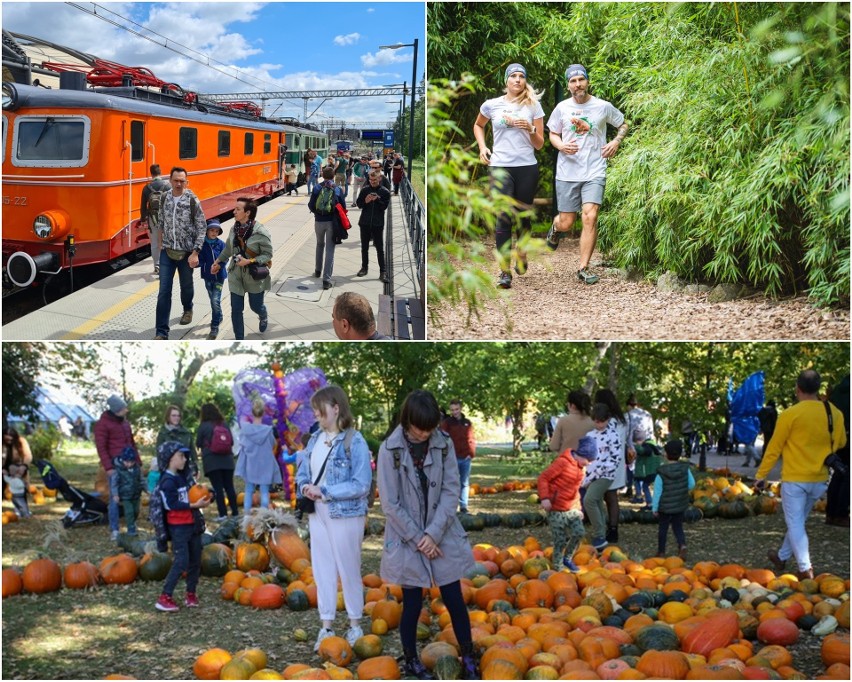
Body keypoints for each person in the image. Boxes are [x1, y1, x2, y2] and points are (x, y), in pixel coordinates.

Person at [377, 390, 479, 680]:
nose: (424, 434)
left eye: (430, 428)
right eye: (419, 428)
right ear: (407, 420)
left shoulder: (443, 444)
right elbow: (390, 504)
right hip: (406, 535)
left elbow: (450, 490)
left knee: (454, 597)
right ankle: (410, 659)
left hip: (441, 530)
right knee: (411, 602)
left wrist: (432, 535)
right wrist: (419, 539)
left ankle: (469, 655)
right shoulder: (390, 449)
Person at [296, 386, 371, 650]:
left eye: (321, 410)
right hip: (318, 513)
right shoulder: (315, 439)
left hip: (345, 513)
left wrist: (326, 491)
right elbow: (303, 472)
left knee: (348, 568)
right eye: (315, 410)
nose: (316, 415)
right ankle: (326, 626)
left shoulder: (355, 441)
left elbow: (362, 483)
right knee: (322, 569)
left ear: (336, 408)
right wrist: (305, 486)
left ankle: (354, 625)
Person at [756, 369, 847, 579]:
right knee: (797, 522)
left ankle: (805, 568)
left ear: (797, 389)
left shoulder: (790, 414)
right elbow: (841, 442)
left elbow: (774, 448)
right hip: (820, 478)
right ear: (819, 388)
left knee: (795, 523)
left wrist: (761, 475)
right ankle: (781, 557)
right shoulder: (834, 413)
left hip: (795, 479)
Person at [546, 64, 628, 285]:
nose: (578, 84)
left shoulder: (602, 106)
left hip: (595, 170)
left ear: (587, 81)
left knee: (590, 216)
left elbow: (623, 124)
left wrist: (615, 141)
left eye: (581, 79)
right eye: (573, 81)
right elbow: (553, 133)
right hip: (567, 171)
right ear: (568, 85)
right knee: (567, 222)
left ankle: (583, 267)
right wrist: (561, 145)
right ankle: (555, 228)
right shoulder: (562, 108)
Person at [474, 63, 545, 289]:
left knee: (523, 217)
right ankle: (504, 272)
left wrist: (531, 130)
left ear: (525, 81)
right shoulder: (491, 105)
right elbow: (478, 125)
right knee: (503, 217)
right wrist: (482, 147)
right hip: (500, 165)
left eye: (521, 76)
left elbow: (540, 144)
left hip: (526, 166)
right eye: (513, 76)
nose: (517, 80)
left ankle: (522, 253)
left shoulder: (533, 106)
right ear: (506, 80)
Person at [153, 441, 210, 612]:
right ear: (170, 459)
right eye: (181, 456)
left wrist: (207, 496)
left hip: (192, 525)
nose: (185, 459)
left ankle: (190, 593)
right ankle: (165, 596)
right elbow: (171, 504)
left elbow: (193, 494)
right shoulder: (167, 482)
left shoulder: (182, 477)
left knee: (195, 560)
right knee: (181, 561)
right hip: (178, 528)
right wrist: (194, 505)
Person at [154, 167, 207, 339]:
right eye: (175, 180)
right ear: (169, 180)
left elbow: (202, 227)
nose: (178, 183)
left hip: (186, 253)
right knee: (163, 291)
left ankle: (188, 308)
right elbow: (161, 223)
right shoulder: (164, 198)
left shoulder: (192, 200)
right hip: (167, 252)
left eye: (181, 181)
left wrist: (196, 252)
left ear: (186, 182)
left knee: (186, 285)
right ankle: (161, 332)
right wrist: (160, 245)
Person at [211, 198, 273, 339]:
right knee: (236, 309)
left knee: (255, 306)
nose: (234, 212)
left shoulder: (260, 232)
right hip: (236, 273)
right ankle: (240, 339)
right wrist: (218, 261)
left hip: (254, 275)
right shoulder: (234, 229)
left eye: (238, 209)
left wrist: (249, 261)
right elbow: (228, 249)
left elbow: (268, 254)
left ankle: (262, 315)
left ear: (248, 213)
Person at [538, 435, 598, 572]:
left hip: (571, 508)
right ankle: (558, 566)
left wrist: (579, 508)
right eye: (588, 459)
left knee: (579, 532)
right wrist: (545, 498)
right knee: (560, 539)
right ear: (580, 454)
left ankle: (567, 558)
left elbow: (575, 490)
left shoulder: (581, 468)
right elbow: (543, 478)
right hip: (556, 508)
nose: (589, 463)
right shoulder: (563, 463)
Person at [94, 395, 140, 542]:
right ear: (116, 410)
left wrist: (137, 461)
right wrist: (108, 467)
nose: (126, 410)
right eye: (123, 408)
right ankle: (114, 528)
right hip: (115, 466)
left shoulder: (125, 424)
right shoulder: (103, 425)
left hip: (130, 464)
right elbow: (101, 448)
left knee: (133, 493)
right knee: (115, 497)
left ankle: (131, 524)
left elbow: (132, 443)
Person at [583, 403, 622, 550]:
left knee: (589, 500)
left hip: (606, 474)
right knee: (597, 501)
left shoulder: (614, 435)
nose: (598, 424)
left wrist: (598, 471)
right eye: (596, 421)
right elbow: (586, 455)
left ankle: (599, 534)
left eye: (601, 421)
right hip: (590, 474)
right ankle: (601, 532)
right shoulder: (590, 435)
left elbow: (615, 459)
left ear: (608, 419)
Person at [595, 388, 630, 544]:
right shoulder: (622, 421)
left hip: (604, 462)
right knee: (612, 497)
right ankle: (613, 528)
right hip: (618, 463)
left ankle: (603, 528)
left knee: (599, 497)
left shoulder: (606, 421)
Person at [236, 398, 282, 514]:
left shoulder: (245, 430)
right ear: (264, 413)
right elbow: (273, 444)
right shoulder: (268, 431)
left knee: (249, 490)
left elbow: (242, 445)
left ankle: (247, 516)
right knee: (265, 491)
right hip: (265, 464)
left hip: (250, 464)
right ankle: (264, 515)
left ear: (252, 413)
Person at [652, 439, 695, 558]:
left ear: (666, 454)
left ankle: (661, 551)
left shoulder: (661, 472)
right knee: (678, 527)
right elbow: (691, 484)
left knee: (663, 529)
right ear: (680, 454)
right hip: (680, 504)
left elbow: (657, 492)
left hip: (664, 507)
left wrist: (655, 507)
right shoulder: (685, 469)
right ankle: (682, 545)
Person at [196, 403, 238, 521]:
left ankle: (223, 514)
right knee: (229, 486)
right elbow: (232, 442)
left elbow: (198, 443)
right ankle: (235, 512)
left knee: (218, 488)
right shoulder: (224, 424)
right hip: (227, 460)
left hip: (212, 460)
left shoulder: (203, 426)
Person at [308, 167, 345, 291]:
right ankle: (326, 280)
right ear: (333, 175)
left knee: (319, 244)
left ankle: (317, 271)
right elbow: (343, 207)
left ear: (322, 175)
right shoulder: (338, 189)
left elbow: (311, 205)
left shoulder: (317, 188)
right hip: (332, 223)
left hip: (318, 221)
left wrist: (318, 213)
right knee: (330, 249)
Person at [440, 399, 476, 514]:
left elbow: (471, 439)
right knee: (452, 482)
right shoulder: (447, 423)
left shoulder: (467, 423)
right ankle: (452, 506)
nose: (454, 412)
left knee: (464, 482)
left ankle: (464, 505)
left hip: (465, 457)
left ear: (460, 408)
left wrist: (471, 454)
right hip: (452, 458)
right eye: (452, 410)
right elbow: (443, 439)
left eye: (456, 409)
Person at [355, 170, 392, 283]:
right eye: (370, 180)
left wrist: (378, 199)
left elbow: (384, 207)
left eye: (375, 180)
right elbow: (359, 204)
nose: (372, 182)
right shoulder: (365, 189)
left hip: (377, 223)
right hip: (365, 222)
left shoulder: (385, 192)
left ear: (379, 179)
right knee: (364, 247)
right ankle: (364, 267)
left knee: (380, 249)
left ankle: (383, 271)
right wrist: (366, 201)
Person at [139, 164, 172, 275]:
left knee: (154, 243)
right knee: (166, 241)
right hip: (167, 218)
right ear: (160, 172)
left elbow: (143, 206)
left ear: (151, 173)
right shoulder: (168, 186)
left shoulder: (147, 188)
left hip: (153, 218)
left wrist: (143, 219)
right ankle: (166, 264)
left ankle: (157, 265)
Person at [826, 375, 849, 527]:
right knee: (849, 478)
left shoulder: (836, 394)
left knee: (839, 474)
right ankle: (841, 514)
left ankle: (830, 513)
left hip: (838, 438)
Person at [198, 219, 227, 340]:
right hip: (207, 278)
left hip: (219, 277)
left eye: (216, 231)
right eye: (212, 230)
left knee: (215, 301)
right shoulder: (201, 246)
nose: (214, 233)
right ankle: (219, 315)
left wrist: (219, 266)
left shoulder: (221, 244)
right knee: (212, 300)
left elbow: (225, 258)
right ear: (206, 231)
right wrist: (202, 266)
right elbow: (200, 261)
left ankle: (214, 326)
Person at [156, 405, 197, 476]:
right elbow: (159, 453)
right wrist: (162, 470)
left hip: (186, 468)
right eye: (174, 415)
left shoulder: (186, 432)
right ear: (168, 417)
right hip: (170, 470)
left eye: (178, 416)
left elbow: (192, 451)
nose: (176, 418)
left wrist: (196, 467)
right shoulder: (163, 433)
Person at [550, 390, 594, 456]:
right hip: (587, 461)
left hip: (567, 461)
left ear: (572, 405)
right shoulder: (593, 422)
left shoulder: (563, 421)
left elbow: (554, 446)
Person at [626, 395, 654, 498]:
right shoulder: (647, 414)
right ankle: (641, 490)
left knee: (631, 467)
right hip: (645, 444)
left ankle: (631, 488)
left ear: (629, 405)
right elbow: (651, 432)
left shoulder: (628, 415)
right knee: (642, 467)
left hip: (632, 443)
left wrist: (628, 446)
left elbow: (627, 433)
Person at [112, 447, 144, 536]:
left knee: (136, 511)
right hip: (125, 495)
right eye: (127, 462)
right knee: (129, 512)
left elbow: (141, 480)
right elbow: (114, 483)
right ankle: (131, 528)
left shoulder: (137, 468)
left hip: (136, 494)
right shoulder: (118, 470)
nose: (129, 464)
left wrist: (147, 489)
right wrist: (115, 494)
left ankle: (133, 523)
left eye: (132, 462)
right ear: (123, 460)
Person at [633, 427, 663, 510]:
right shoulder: (652, 445)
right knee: (647, 486)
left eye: (637, 441)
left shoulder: (647, 446)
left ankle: (650, 503)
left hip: (649, 471)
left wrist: (635, 446)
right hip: (654, 471)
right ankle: (651, 503)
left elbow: (643, 451)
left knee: (645, 486)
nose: (637, 443)